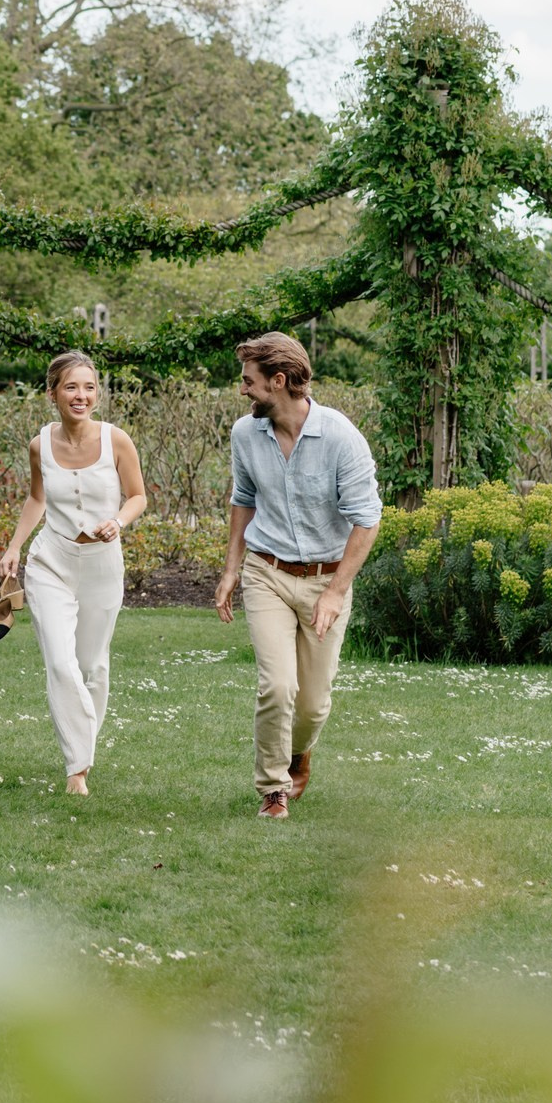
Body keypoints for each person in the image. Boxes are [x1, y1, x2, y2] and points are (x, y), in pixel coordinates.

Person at [214, 332, 379, 818]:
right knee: (277, 686)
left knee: (311, 705)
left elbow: (367, 519)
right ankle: (273, 789)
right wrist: (231, 570)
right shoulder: (245, 434)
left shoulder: (340, 438)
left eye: (249, 381)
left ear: (279, 382)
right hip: (267, 572)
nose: (243, 390)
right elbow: (243, 498)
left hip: (326, 580)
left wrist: (335, 592)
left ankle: (298, 753)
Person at [0, 351, 147, 796]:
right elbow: (36, 499)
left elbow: (138, 496)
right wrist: (14, 546)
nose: (80, 396)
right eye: (71, 387)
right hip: (51, 563)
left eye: (88, 387)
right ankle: (76, 768)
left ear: (96, 394)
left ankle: (83, 750)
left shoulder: (117, 440)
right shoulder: (39, 445)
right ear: (52, 394)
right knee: (61, 663)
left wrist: (117, 522)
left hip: (103, 565)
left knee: (92, 666)